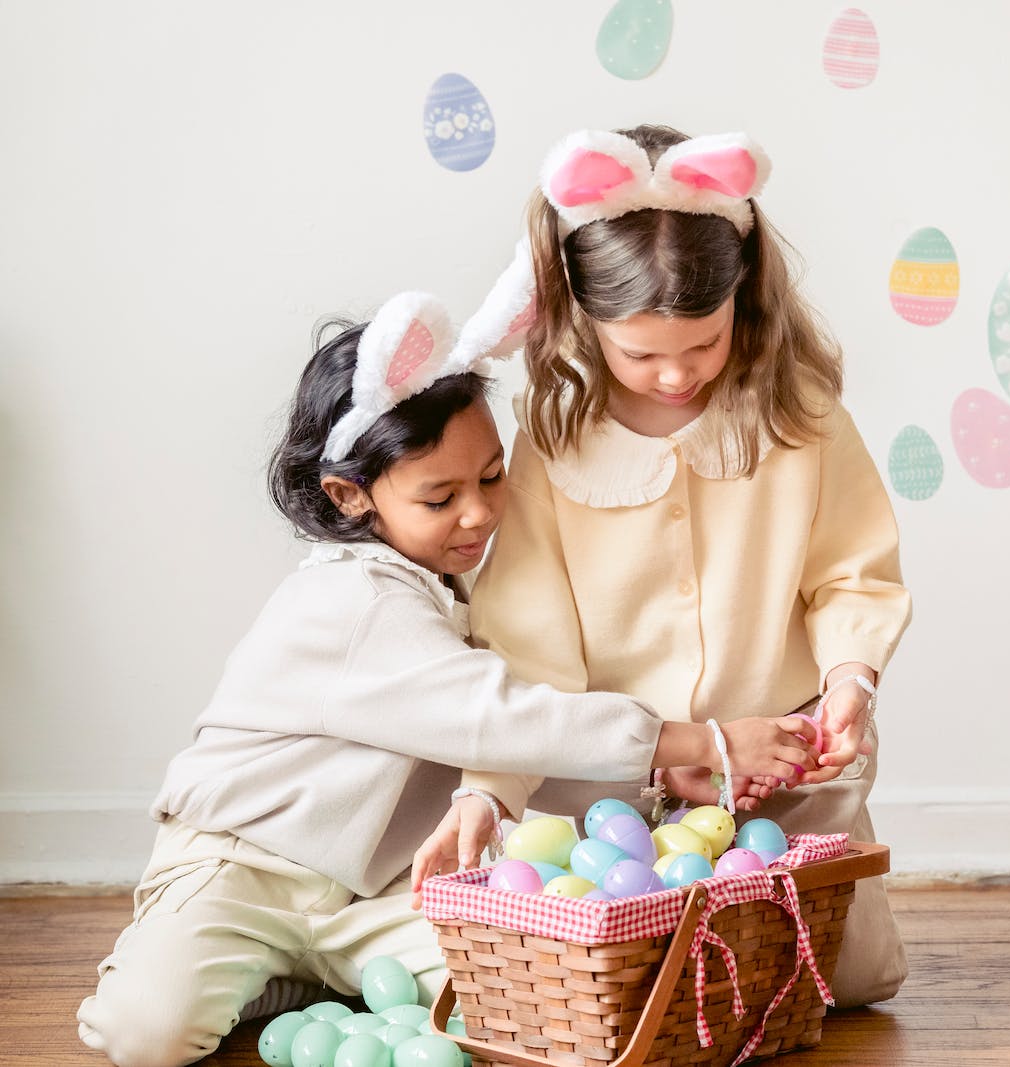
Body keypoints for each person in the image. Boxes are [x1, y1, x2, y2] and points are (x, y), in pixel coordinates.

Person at [76, 291, 816, 1067]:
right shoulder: (351, 599)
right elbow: (500, 717)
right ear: (350, 495)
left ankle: (312, 974)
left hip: (375, 892)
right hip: (249, 869)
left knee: (522, 994)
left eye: (493, 478)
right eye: (440, 497)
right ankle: (242, 961)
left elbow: (511, 756)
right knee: (146, 1036)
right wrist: (699, 738)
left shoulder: (450, 591)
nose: (479, 515)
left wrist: (656, 792)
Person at [413, 125, 913, 1006]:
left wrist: (850, 681)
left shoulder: (800, 414)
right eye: (639, 353)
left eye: (704, 344)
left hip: (781, 776)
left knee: (854, 981)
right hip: (619, 802)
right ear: (582, 318)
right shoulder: (557, 439)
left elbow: (852, 572)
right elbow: (527, 649)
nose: (676, 375)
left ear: (742, 304)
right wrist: (488, 794)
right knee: (641, 989)